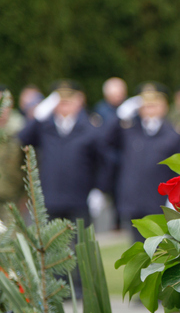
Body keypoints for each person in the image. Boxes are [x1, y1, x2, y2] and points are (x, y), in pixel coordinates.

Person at [18, 80, 107, 224]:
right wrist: (37, 117)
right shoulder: (44, 127)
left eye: (69, 101)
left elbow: (102, 162)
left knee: (81, 238)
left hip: (79, 199)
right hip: (50, 199)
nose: (64, 105)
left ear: (79, 100)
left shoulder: (90, 128)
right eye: (60, 101)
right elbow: (23, 139)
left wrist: (99, 189)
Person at [107, 83, 180, 242]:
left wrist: (175, 199)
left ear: (164, 106)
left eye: (154, 104)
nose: (150, 109)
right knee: (138, 248)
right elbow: (104, 140)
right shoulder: (129, 131)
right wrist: (119, 116)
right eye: (145, 105)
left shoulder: (173, 134)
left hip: (160, 202)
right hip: (134, 202)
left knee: (162, 248)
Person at [0, 86, 25, 224]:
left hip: (12, 198)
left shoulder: (21, 131)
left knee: (12, 234)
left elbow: (30, 166)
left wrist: (27, 196)